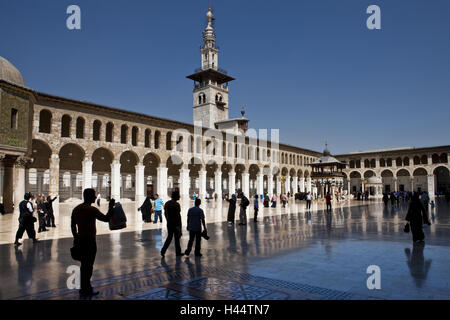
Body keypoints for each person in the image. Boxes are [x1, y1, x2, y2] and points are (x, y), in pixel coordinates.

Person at [71, 188, 115, 297]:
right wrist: (111, 207)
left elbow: (72, 225)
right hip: (89, 242)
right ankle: (87, 289)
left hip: (80, 240)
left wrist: (76, 237)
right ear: (90, 197)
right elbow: (106, 218)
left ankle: (83, 288)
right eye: (94, 195)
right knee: (88, 266)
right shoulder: (92, 210)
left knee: (83, 266)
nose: (95, 197)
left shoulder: (76, 209)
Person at [160, 191, 183, 257]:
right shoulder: (176, 204)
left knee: (169, 238)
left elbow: (165, 214)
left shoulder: (167, 203)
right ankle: (178, 252)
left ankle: (163, 251)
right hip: (175, 224)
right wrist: (180, 228)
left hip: (169, 224)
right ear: (176, 196)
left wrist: (168, 221)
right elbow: (178, 216)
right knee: (177, 239)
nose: (179, 196)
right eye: (178, 195)